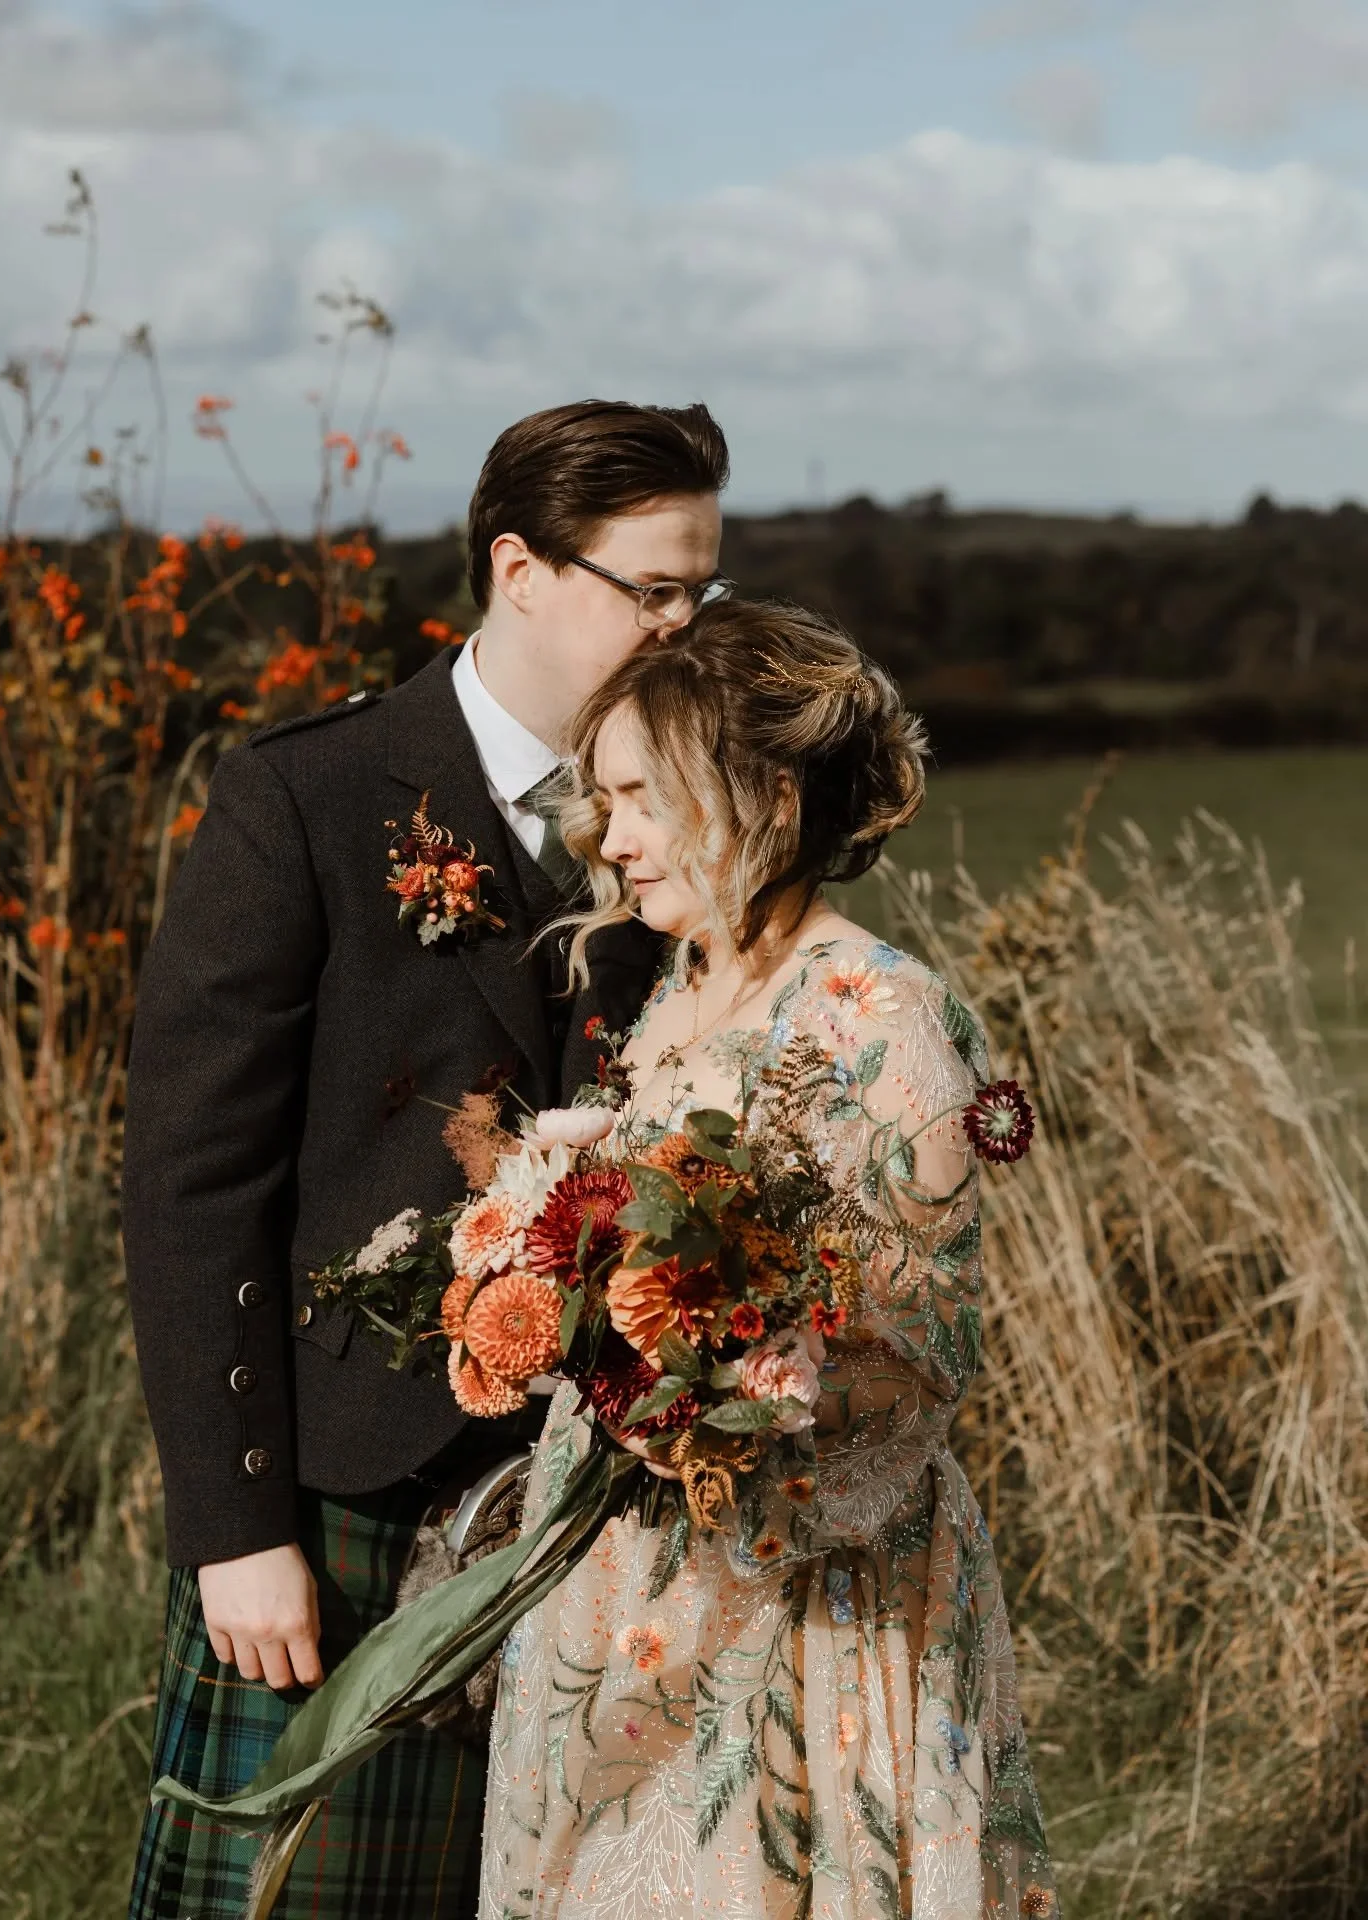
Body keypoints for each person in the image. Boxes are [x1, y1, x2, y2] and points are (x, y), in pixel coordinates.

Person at [123, 398, 730, 1918]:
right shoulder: (307, 798)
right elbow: (195, 1187)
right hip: (345, 1503)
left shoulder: (690, 813)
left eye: (701, 591)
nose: (683, 627)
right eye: (650, 589)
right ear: (521, 571)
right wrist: (235, 1527)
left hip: (610, 1501)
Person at [480, 600, 1059, 1918]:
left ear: (770, 798)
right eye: (604, 803)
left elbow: (928, 1340)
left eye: (639, 799)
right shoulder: (684, 985)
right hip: (625, 1568)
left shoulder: (886, 1009)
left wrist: (710, 1400)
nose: (610, 841)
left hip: (805, 1599)